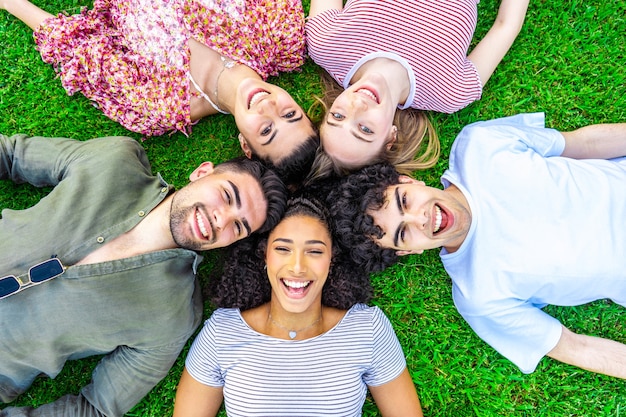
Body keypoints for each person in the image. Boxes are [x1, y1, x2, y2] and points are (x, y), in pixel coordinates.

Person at [0, 132, 287, 416]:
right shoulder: (114, 160)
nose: (221, 219)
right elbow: (11, 155)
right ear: (201, 172)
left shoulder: (175, 316)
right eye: (226, 196)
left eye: (237, 227)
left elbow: (97, 407)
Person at [326, 113, 626, 379]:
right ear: (407, 251)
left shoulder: (478, 144)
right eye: (404, 233)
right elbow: (575, 347)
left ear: (409, 181)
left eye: (405, 201)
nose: (421, 218)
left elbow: (580, 144)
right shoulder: (478, 296)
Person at [0, 0, 318, 186]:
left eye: (266, 130)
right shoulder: (281, 39)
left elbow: (74, 46)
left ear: (245, 145)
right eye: (290, 114)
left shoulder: (160, 105)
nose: (269, 107)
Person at [172, 196, 423, 416]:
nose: (298, 267)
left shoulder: (367, 329)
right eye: (282, 249)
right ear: (265, 255)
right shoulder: (222, 332)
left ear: (331, 260)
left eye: (314, 251)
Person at [304, 0, 529, 180]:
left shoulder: (326, 44)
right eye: (365, 128)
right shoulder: (449, 92)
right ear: (390, 137)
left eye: (338, 116)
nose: (357, 107)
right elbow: (506, 26)